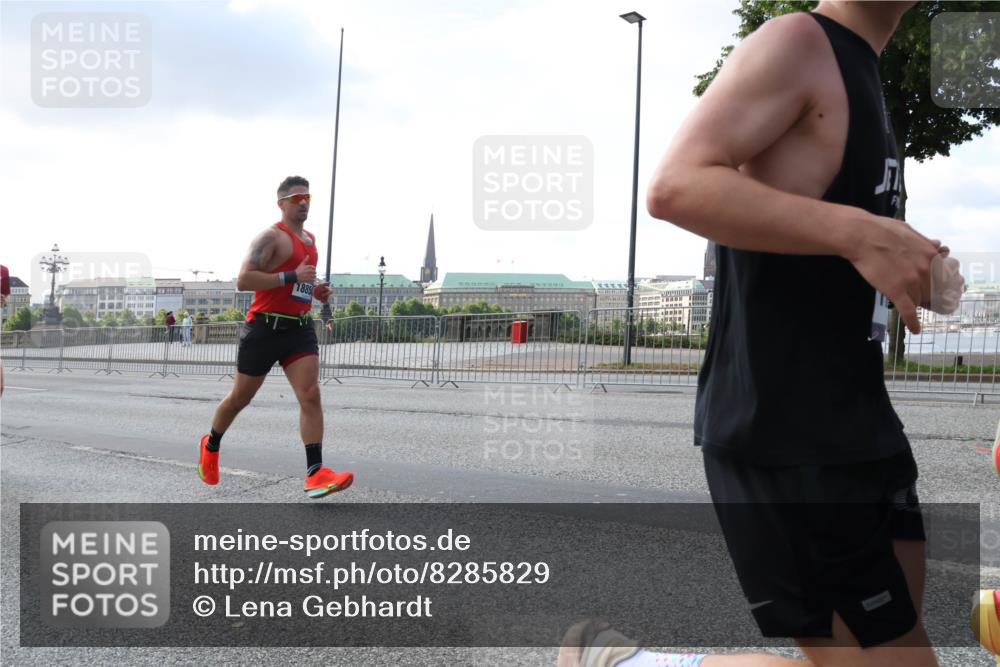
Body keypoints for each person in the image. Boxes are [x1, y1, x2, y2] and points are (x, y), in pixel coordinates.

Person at [561, 3, 964, 667]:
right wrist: (863, 232)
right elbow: (675, 186)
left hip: (863, 426)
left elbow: (832, 239)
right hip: (788, 431)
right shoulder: (798, 41)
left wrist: (924, 270)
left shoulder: (866, 72)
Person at [197, 175, 349, 499]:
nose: (304, 202)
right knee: (240, 398)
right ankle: (211, 445)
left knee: (310, 394)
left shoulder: (310, 240)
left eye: (308, 197)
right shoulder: (270, 237)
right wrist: (293, 275)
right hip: (264, 328)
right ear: (282, 204)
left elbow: (296, 285)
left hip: (298, 328)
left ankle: (315, 472)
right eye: (296, 198)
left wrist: (315, 290)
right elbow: (244, 280)